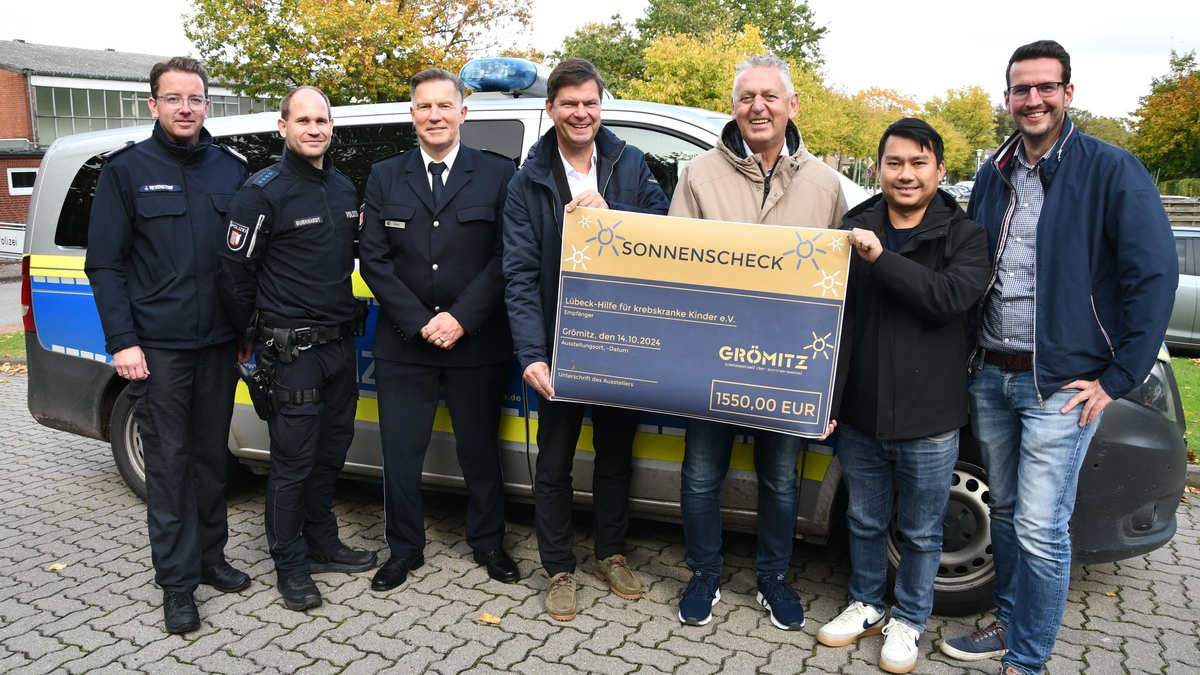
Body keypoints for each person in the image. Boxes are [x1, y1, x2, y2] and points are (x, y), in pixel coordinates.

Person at [938, 41, 1177, 675]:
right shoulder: (993, 173)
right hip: (993, 372)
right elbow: (972, 264)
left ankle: (1029, 659)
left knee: (1042, 528)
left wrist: (1118, 376)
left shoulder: (1111, 169)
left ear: (1068, 93)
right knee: (1012, 514)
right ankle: (1011, 624)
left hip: (1063, 386)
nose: (1033, 99)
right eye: (1021, 89)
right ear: (1008, 96)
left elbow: (1153, 276)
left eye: (1046, 87)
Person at [668, 54, 847, 631]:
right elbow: (672, 267)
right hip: (711, 360)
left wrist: (827, 384)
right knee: (699, 476)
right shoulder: (698, 175)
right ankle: (704, 573)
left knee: (780, 479)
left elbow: (842, 286)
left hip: (788, 366)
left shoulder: (824, 183)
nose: (758, 107)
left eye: (770, 96)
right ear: (734, 106)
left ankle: (773, 578)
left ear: (793, 105)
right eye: (747, 97)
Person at [816, 118, 989, 673]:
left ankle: (909, 619)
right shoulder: (854, 224)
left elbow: (946, 299)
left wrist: (881, 260)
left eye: (919, 163)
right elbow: (831, 322)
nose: (906, 174)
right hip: (862, 411)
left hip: (930, 416)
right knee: (864, 520)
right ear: (880, 168)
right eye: (895, 163)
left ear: (940, 169)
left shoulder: (966, 236)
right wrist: (826, 401)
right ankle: (866, 602)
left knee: (920, 529)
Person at [84, 56, 250, 634]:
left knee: (211, 459)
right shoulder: (126, 171)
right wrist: (123, 342)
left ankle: (210, 557)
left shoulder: (231, 169)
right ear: (153, 104)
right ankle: (177, 583)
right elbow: (104, 264)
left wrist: (245, 332)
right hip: (157, 350)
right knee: (170, 462)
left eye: (196, 98)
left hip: (220, 346)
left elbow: (242, 260)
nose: (186, 108)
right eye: (174, 98)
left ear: (207, 104)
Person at [502, 58, 670, 621]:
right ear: (550, 109)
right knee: (553, 461)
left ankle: (610, 552)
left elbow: (665, 232)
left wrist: (613, 214)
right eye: (569, 103)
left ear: (602, 107)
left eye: (590, 103)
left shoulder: (629, 163)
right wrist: (531, 353)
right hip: (559, 345)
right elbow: (519, 273)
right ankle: (559, 568)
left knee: (616, 455)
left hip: (623, 341)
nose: (581, 113)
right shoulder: (528, 180)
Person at [217, 86, 377, 612]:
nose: (314, 129)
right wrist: (252, 338)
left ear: (332, 127)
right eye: (302, 120)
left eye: (322, 120)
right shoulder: (261, 192)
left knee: (331, 453)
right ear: (282, 127)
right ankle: (290, 565)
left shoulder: (342, 187)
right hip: (292, 352)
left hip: (338, 348)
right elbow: (235, 275)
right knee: (293, 461)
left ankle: (323, 543)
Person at [359, 69, 519, 592]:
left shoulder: (498, 174)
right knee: (401, 454)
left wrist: (460, 318)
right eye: (424, 107)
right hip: (406, 342)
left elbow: (506, 256)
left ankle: (489, 544)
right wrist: (422, 321)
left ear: (462, 113)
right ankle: (403, 549)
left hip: (475, 339)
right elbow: (374, 260)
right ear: (413, 115)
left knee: (479, 451)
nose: (434, 116)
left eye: (444, 106)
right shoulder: (384, 175)